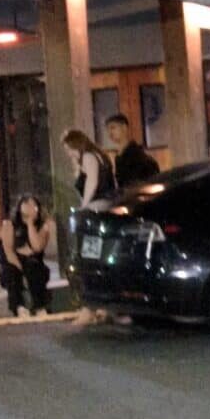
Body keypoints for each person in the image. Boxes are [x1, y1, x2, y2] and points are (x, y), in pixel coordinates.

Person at [63, 128, 118, 327]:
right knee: (100, 259)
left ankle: (89, 308)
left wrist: (83, 207)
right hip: (106, 210)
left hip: (94, 212)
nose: (69, 154)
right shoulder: (101, 156)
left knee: (88, 258)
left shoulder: (88, 157)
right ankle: (105, 307)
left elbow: (92, 182)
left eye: (69, 149)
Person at [0, 193, 54, 318]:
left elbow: (37, 247)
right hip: (13, 260)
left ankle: (40, 306)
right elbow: (9, 252)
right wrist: (20, 268)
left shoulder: (43, 226)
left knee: (35, 269)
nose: (30, 208)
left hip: (33, 261)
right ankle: (18, 306)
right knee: (12, 272)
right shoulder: (9, 225)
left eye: (33, 206)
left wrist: (30, 224)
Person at [105, 113, 159, 188]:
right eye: (107, 129)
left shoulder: (136, 155)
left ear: (124, 127)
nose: (110, 133)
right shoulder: (119, 156)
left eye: (113, 128)